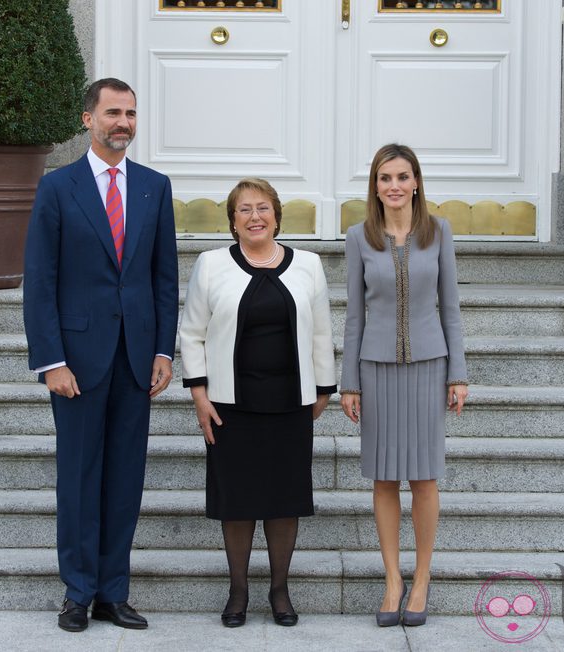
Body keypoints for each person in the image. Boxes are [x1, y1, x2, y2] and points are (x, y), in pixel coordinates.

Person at [23, 78, 179, 633]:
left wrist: (164, 349)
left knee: (124, 481)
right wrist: (51, 360)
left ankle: (114, 592)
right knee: (80, 478)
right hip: (78, 363)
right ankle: (77, 591)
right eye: (113, 112)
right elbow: (40, 281)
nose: (124, 123)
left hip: (137, 360)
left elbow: (164, 277)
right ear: (88, 119)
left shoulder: (154, 188)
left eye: (132, 114)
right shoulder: (58, 188)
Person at [178, 178, 336, 628]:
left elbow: (322, 331)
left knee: (285, 500)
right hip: (232, 406)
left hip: (290, 404)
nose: (254, 217)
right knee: (239, 502)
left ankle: (280, 590)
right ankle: (238, 591)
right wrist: (199, 395)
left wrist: (323, 391)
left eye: (262, 208)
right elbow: (192, 332)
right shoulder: (210, 265)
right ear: (232, 221)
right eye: (244, 209)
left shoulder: (308, 264)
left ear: (276, 216)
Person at [340, 143, 468, 627]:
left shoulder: (439, 233)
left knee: (425, 476)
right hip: (375, 369)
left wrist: (459, 372)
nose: (393, 186)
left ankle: (422, 579)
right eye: (384, 178)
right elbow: (354, 315)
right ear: (375, 186)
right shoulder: (358, 237)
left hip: (429, 366)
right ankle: (393, 578)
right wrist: (348, 381)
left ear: (416, 182)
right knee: (383, 476)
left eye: (401, 176)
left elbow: (450, 308)